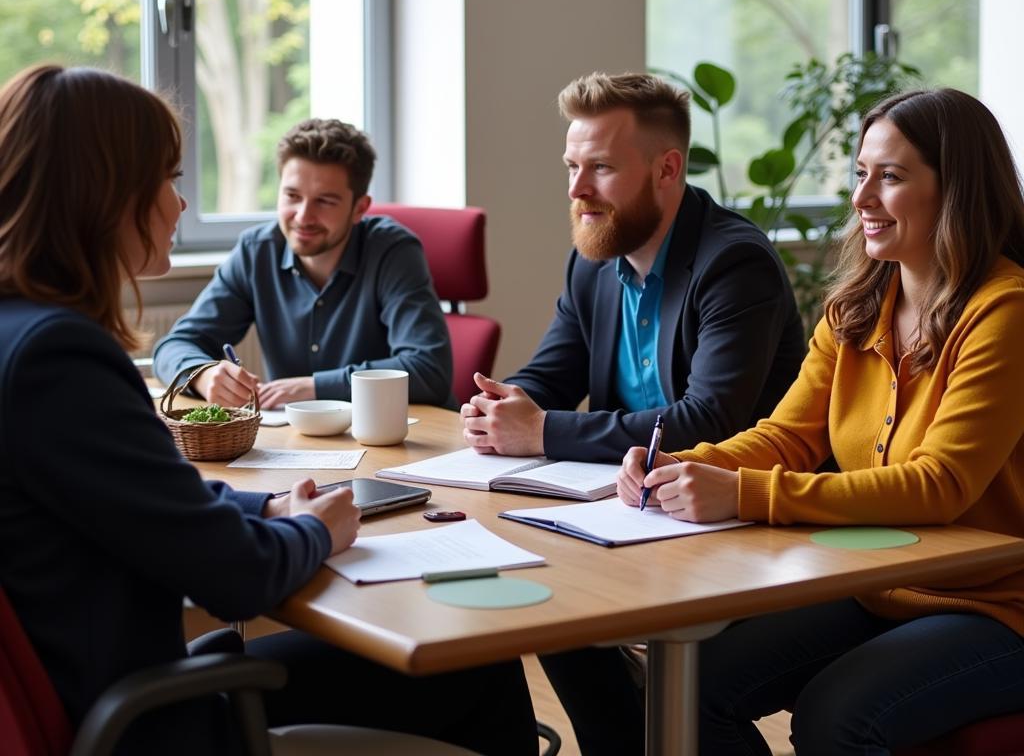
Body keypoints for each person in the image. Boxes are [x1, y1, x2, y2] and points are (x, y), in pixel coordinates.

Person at [0, 64, 536, 756]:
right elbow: (236, 575)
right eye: (168, 179)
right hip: (149, 721)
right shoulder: (59, 358)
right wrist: (316, 529)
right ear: (104, 194)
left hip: (98, 684)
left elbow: (149, 504)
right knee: (477, 660)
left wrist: (265, 512)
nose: (180, 205)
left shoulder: (24, 338)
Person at [618, 87, 1024, 755]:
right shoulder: (860, 307)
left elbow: (939, 484)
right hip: (880, 586)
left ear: (956, 190)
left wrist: (745, 494)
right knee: (693, 684)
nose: (861, 199)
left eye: (889, 177)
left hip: (997, 605)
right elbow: (788, 437)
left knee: (839, 716)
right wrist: (692, 465)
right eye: (860, 174)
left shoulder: (1003, 312)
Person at [461, 71, 805, 465]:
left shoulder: (735, 264)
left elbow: (710, 421)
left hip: (733, 503)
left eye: (601, 167)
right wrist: (497, 408)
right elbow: (552, 377)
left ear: (667, 170)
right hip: (622, 495)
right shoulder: (594, 261)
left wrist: (539, 430)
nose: (577, 189)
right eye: (572, 166)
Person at [153, 117, 454, 410]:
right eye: (292, 196)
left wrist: (312, 388)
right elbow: (173, 347)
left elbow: (428, 371)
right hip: (295, 442)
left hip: (399, 438)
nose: (303, 217)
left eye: (325, 201)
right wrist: (203, 376)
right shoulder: (257, 252)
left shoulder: (393, 252)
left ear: (359, 208)